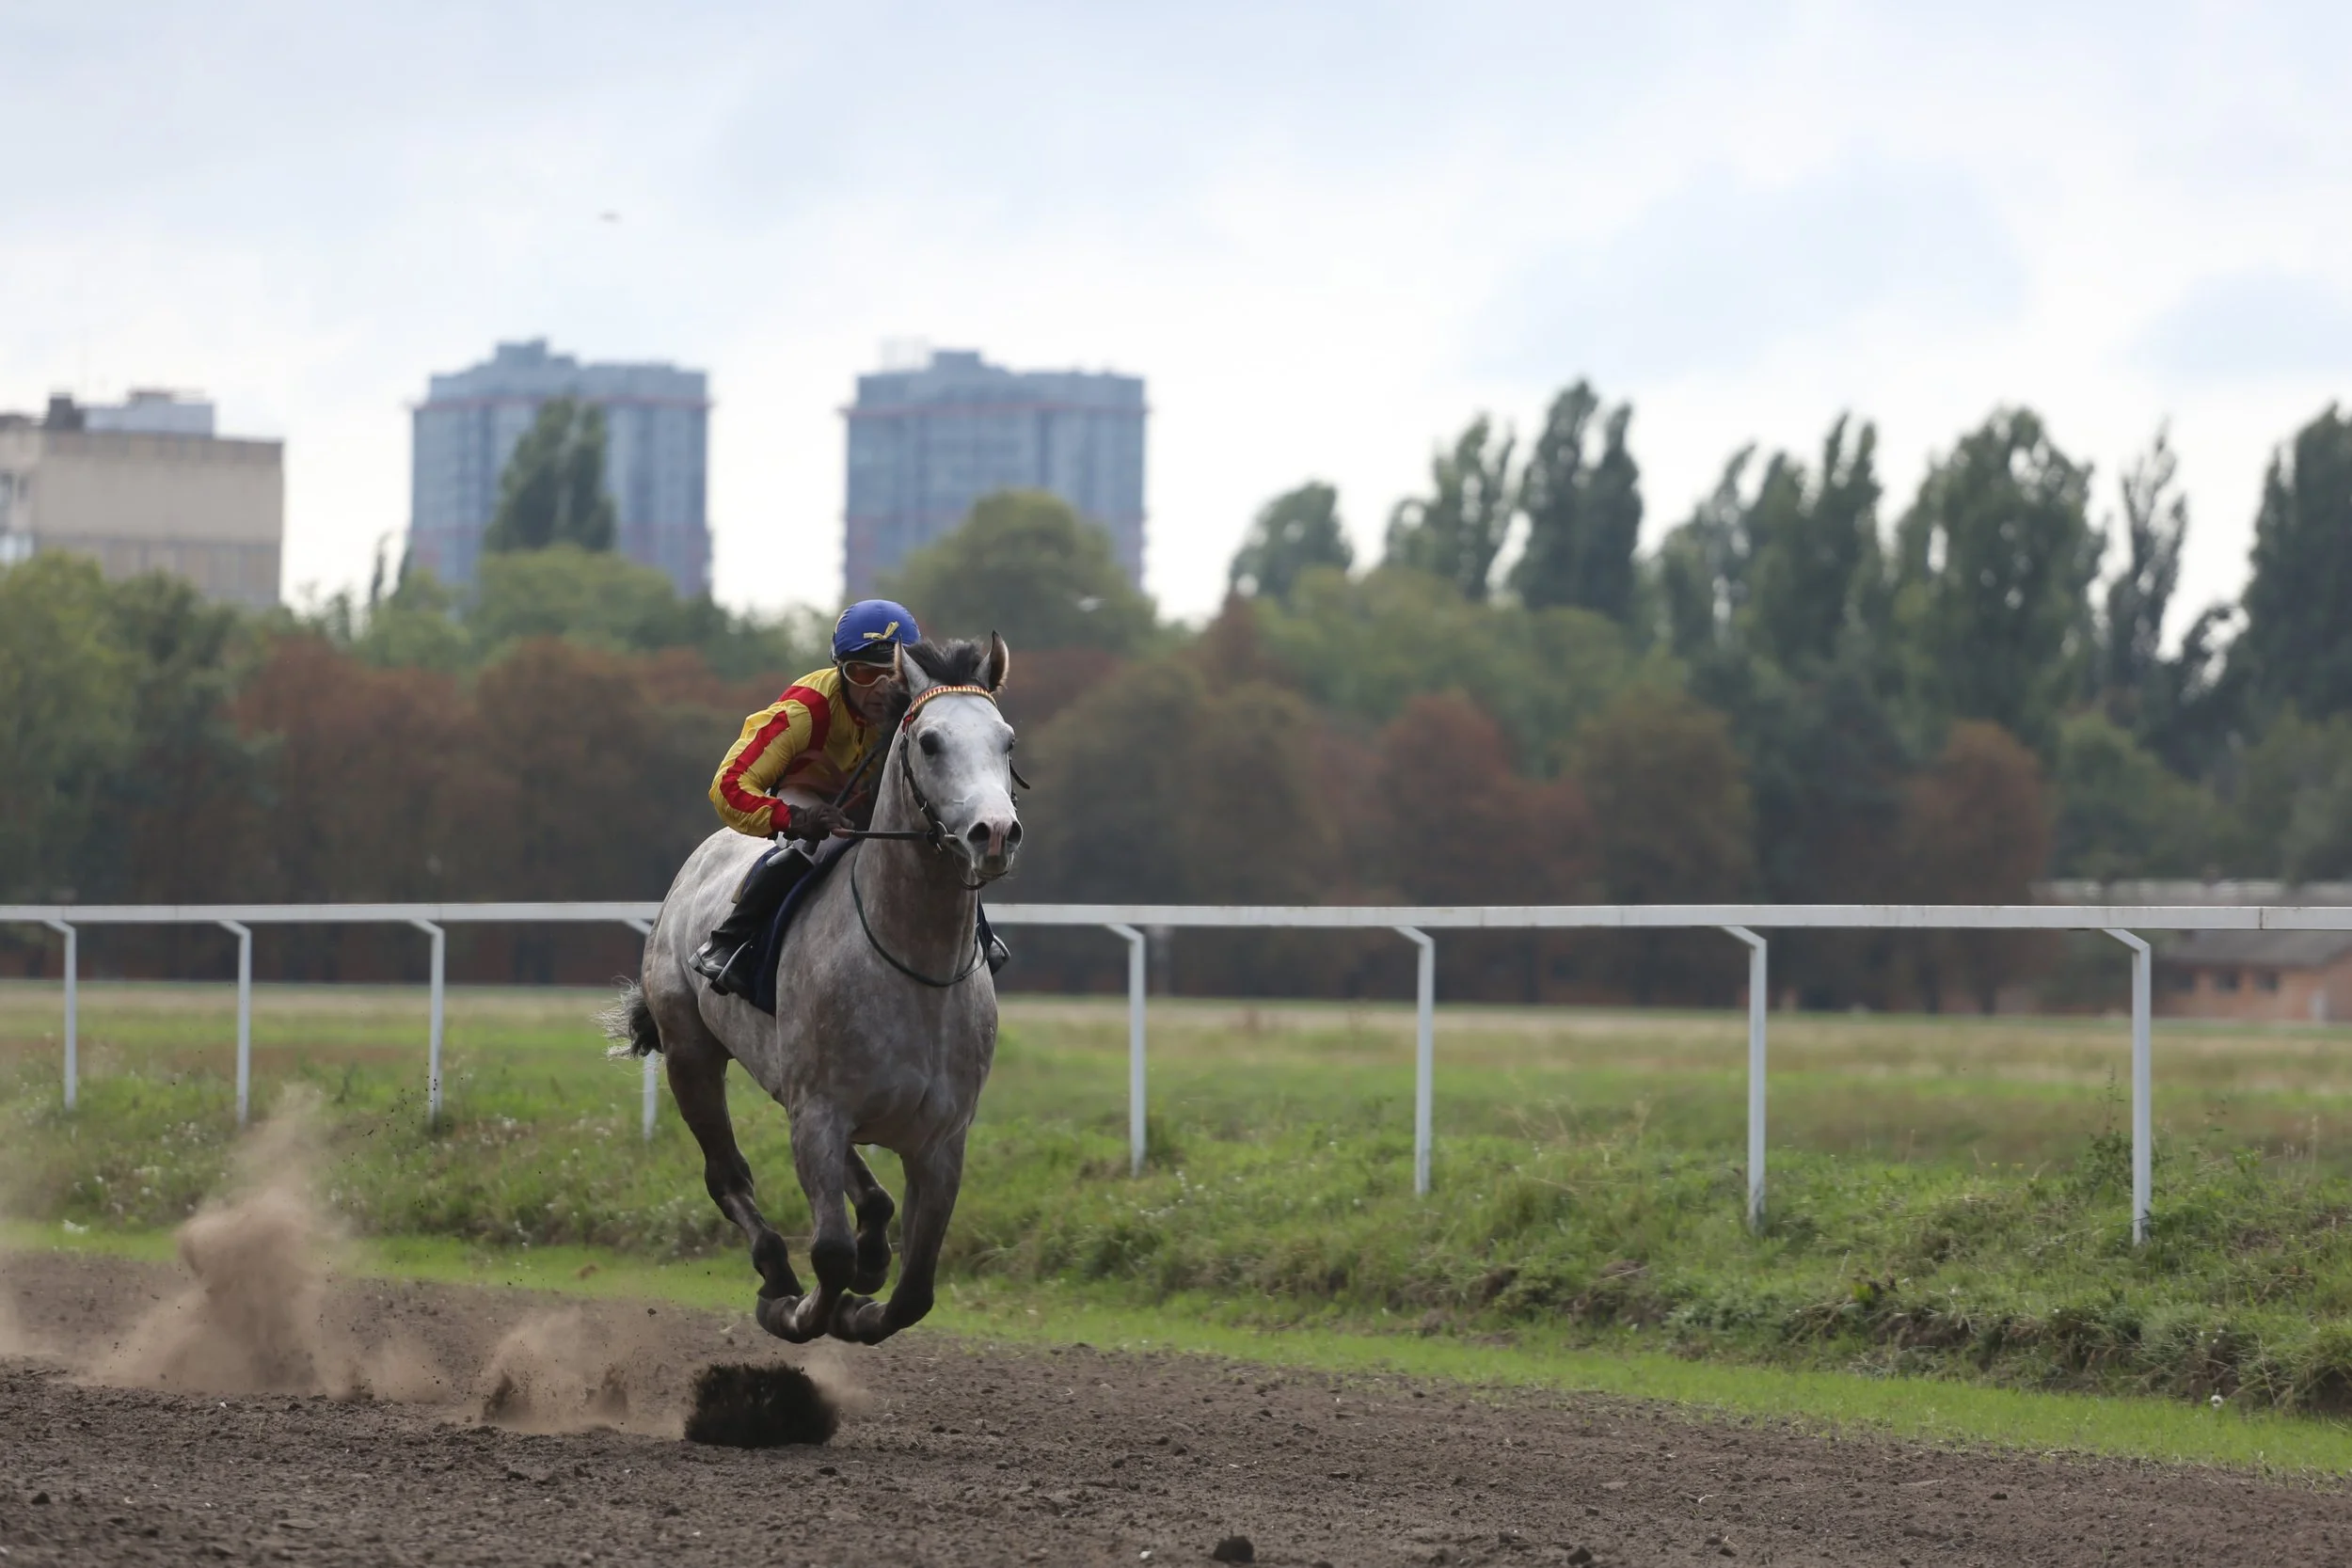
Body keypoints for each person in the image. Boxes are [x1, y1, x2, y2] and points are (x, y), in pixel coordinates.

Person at [688, 598, 922, 996]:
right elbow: (728, 787)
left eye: (895, 674)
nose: (882, 689)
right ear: (840, 670)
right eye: (864, 672)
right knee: (817, 847)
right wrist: (794, 819)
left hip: (882, 799)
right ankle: (729, 942)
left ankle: (981, 938)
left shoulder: (922, 707)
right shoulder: (804, 711)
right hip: (812, 796)